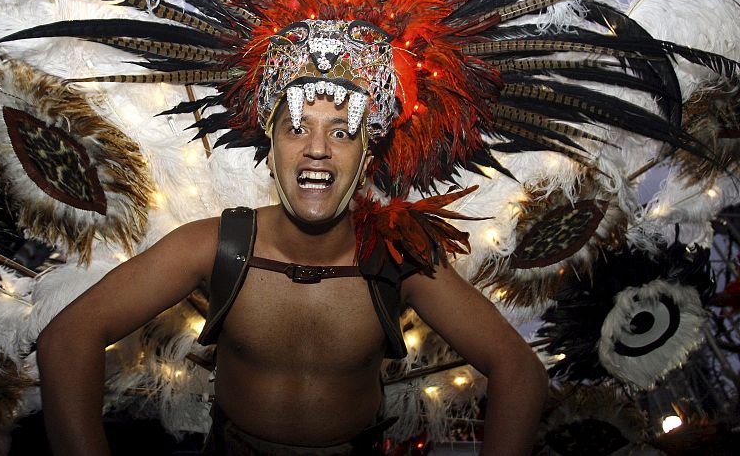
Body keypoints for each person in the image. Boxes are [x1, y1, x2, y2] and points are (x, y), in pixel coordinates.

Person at [36, 59, 548, 455]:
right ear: (272, 146)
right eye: (297, 127)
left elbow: (519, 371)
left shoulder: (400, 256)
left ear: (367, 153)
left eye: (342, 132)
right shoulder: (214, 244)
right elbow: (67, 337)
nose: (317, 149)